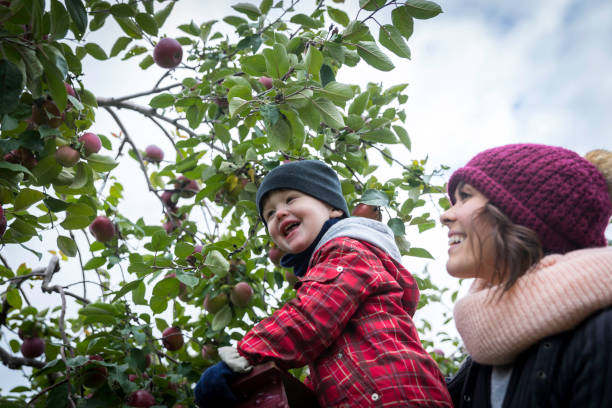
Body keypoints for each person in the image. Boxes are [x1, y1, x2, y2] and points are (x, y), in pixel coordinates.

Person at [195, 160, 452, 407]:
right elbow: (337, 369)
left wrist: (243, 356)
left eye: (291, 199)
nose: (280, 212)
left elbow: (311, 315)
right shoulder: (323, 271)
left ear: (333, 209)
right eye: (270, 214)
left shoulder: (348, 249)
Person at [440, 144, 612, 407]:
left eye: (465, 196)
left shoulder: (602, 337)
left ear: (519, 213)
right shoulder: (485, 350)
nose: (446, 215)